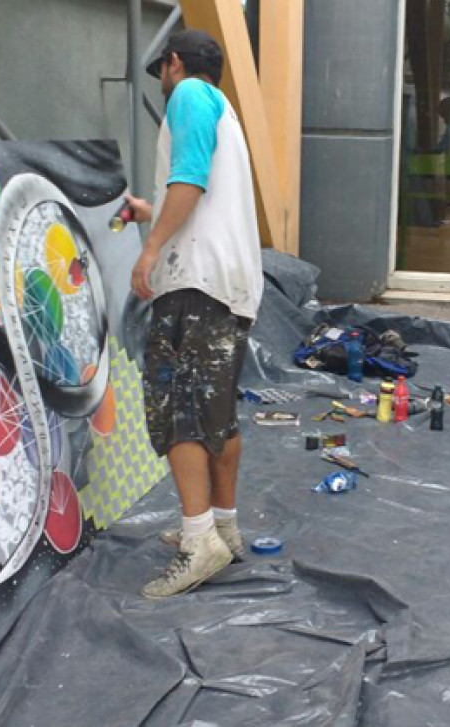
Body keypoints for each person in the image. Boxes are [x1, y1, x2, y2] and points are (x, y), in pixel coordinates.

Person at [122, 30, 263, 599]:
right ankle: (221, 524)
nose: (163, 79)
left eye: (163, 68)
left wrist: (151, 248)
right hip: (227, 283)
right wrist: (150, 213)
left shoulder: (188, 96)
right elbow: (200, 195)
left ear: (175, 63)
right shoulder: (222, 110)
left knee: (178, 409)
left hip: (194, 282)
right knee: (216, 411)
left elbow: (190, 181)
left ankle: (198, 539)